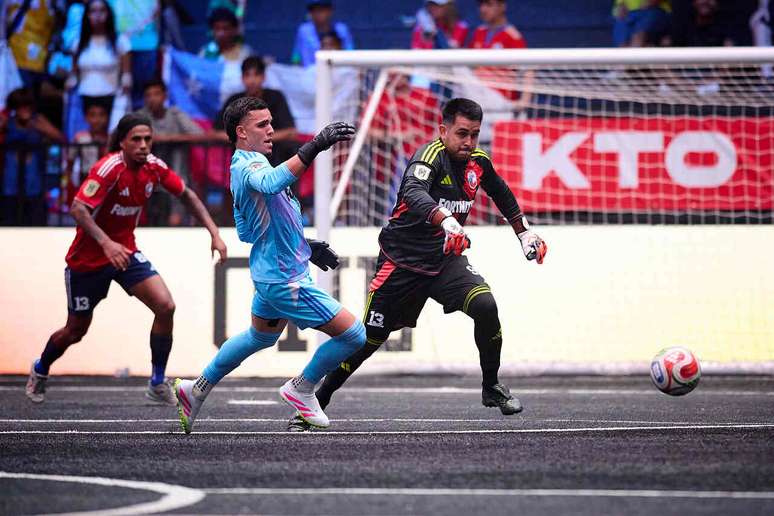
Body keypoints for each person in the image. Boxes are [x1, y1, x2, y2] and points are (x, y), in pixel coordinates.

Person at [287, 98, 548, 432]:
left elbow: (500, 192)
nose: (468, 142)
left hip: (444, 261)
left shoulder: (478, 162)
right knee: (364, 341)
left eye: (475, 135)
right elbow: (413, 191)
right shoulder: (428, 158)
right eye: (461, 133)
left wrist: (523, 232)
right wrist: (447, 220)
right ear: (443, 131)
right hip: (402, 263)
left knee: (485, 304)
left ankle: (491, 387)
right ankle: (313, 404)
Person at [172, 97, 363, 434]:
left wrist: (305, 246)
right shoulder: (249, 168)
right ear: (241, 133)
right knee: (353, 335)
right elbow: (272, 183)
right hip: (283, 279)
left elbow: (253, 228)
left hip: (272, 270)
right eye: (262, 125)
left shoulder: (250, 164)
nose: (271, 130)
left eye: (271, 122)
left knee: (258, 337)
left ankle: (195, 389)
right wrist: (316, 145)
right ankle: (301, 388)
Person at [24, 112, 228, 404]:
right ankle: (40, 368)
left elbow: (188, 195)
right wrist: (107, 244)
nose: (144, 145)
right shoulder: (108, 169)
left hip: (126, 252)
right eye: (137, 139)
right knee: (75, 330)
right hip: (88, 260)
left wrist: (215, 234)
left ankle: (157, 382)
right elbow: (78, 208)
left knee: (165, 305)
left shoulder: (154, 168)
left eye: (148, 139)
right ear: (122, 142)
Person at [135, 79, 209, 225]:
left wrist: (170, 138)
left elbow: (201, 135)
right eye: (148, 95)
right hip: (149, 179)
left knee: (175, 222)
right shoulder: (140, 117)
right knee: (152, 224)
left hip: (177, 174)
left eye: (156, 94)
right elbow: (122, 137)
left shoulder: (175, 114)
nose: (153, 99)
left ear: (165, 96)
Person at [215, 56, 298, 167]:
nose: (252, 80)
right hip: (242, 166)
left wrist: (255, 138)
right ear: (242, 78)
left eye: (256, 75)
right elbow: (215, 133)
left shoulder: (275, 97)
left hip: (274, 165)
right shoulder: (234, 100)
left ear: (263, 77)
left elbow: (290, 132)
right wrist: (246, 138)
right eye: (247, 75)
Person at [2, 87, 65, 226]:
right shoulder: (8, 122)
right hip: (10, 182)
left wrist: (41, 129)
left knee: (34, 223)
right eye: (20, 106)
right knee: (9, 222)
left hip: (34, 183)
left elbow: (61, 138)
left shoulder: (38, 121)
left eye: (27, 106)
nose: (24, 110)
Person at [68, 0, 131, 127]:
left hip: (111, 97)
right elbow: (74, 73)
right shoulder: (78, 43)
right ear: (87, 15)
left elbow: (127, 75)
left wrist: (126, 81)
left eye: (102, 11)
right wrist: (71, 80)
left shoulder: (120, 41)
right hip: (84, 97)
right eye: (93, 11)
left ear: (109, 14)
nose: (97, 15)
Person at [468, 0, 532, 110]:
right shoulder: (479, 32)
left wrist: (524, 102)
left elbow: (527, 70)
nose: (483, 9)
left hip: (501, 102)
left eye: (489, 4)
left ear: (502, 6)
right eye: (481, 5)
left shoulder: (512, 36)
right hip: (478, 99)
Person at [291, 1, 354, 67]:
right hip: (309, 73)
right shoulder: (303, 30)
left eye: (321, 10)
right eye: (313, 10)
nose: (317, 14)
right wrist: (295, 66)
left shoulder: (341, 29)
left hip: (336, 72)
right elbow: (296, 55)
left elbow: (350, 53)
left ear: (330, 11)